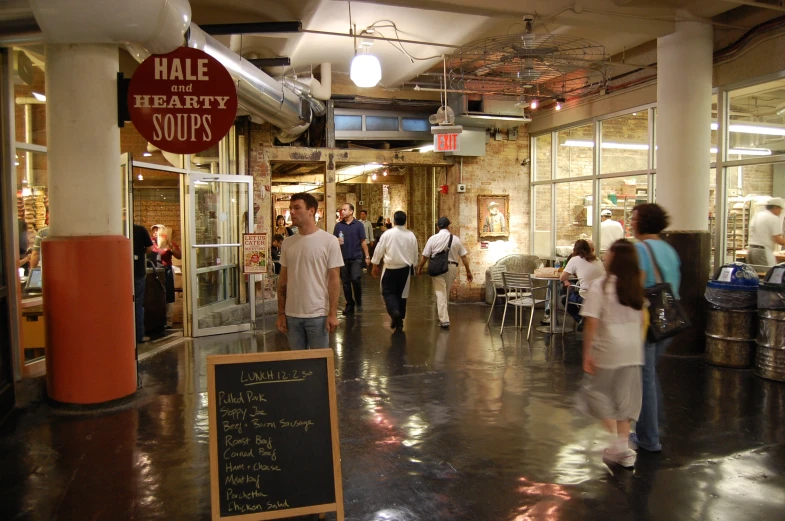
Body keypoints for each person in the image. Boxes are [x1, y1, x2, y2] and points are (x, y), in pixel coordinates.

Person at [579, 239, 645, 469]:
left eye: (609, 254)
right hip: (634, 350)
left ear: (615, 259)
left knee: (594, 394)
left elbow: (591, 322)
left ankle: (619, 445)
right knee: (624, 401)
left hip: (609, 349)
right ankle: (624, 451)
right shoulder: (635, 286)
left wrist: (588, 352)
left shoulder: (601, 285)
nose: (605, 257)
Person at [631, 203, 681, 453]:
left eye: (633, 218)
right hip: (670, 315)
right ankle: (653, 426)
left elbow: (636, 287)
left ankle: (649, 438)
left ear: (642, 222)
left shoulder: (640, 249)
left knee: (644, 378)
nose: (631, 222)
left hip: (648, 318)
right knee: (649, 375)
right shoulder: (669, 249)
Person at [277, 192, 343, 350]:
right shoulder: (287, 243)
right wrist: (281, 313)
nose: (291, 212)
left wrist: (333, 313)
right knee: (297, 365)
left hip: (318, 314)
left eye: (297, 208)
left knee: (319, 364)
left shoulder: (329, 241)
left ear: (311, 211)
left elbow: (334, 280)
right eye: (290, 208)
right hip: (292, 315)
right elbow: (283, 281)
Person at [417, 217, 473, 329]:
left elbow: (425, 256)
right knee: (445, 292)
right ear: (448, 226)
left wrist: (419, 268)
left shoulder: (433, 239)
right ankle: (443, 317)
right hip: (452, 267)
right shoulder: (456, 239)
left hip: (437, 268)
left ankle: (444, 320)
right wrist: (468, 271)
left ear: (438, 227)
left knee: (440, 293)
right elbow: (464, 256)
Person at [371, 211, 419, 332]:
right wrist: (415, 265)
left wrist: (375, 264)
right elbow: (414, 252)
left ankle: (394, 312)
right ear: (405, 221)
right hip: (405, 269)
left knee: (388, 292)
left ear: (394, 220)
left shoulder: (388, 234)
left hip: (390, 268)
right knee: (402, 294)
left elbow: (379, 249)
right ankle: (399, 320)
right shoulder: (410, 235)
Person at [560, 239, 605, 331]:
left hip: (586, 296)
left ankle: (582, 320)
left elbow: (562, 277)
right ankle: (585, 320)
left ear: (575, 250)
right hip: (602, 295)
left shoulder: (575, 259)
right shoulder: (597, 259)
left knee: (565, 299)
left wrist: (566, 280)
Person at [333, 202, 370, 314]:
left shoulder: (359, 225)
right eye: (341, 210)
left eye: (344, 209)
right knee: (345, 282)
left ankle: (359, 301)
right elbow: (334, 241)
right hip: (342, 258)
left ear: (351, 211)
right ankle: (350, 304)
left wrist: (367, 256)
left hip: (356, 257)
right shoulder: (338, 225)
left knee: (355, 278)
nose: (342, 211)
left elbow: (363, 241)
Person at [151, 224, 182, 329]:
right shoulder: (150, 243)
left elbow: (179, 255)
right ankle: (156, 320)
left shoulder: (169, 243)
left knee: (168, 295)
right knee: (155, 296)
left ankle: (168, 321)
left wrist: (171, 247)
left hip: (166, 270)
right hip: (153, 271)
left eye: (158, 230)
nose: (156, 232)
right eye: (154, 230)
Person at [747, 197, 785, 266]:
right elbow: (778, 239)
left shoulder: (758, 215)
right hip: (762, 251)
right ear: (775, 207)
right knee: (768, 273)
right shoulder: (773, 218)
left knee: (755, 274)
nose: (780, 211)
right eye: (780, 209)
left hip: (751, 250)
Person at [133, 224, 154, 343]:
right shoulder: (140, 229)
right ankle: (139, 335)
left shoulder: (119, 228)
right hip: (138, 272)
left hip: (122, 273)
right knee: (137, 304)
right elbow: (150, 248)